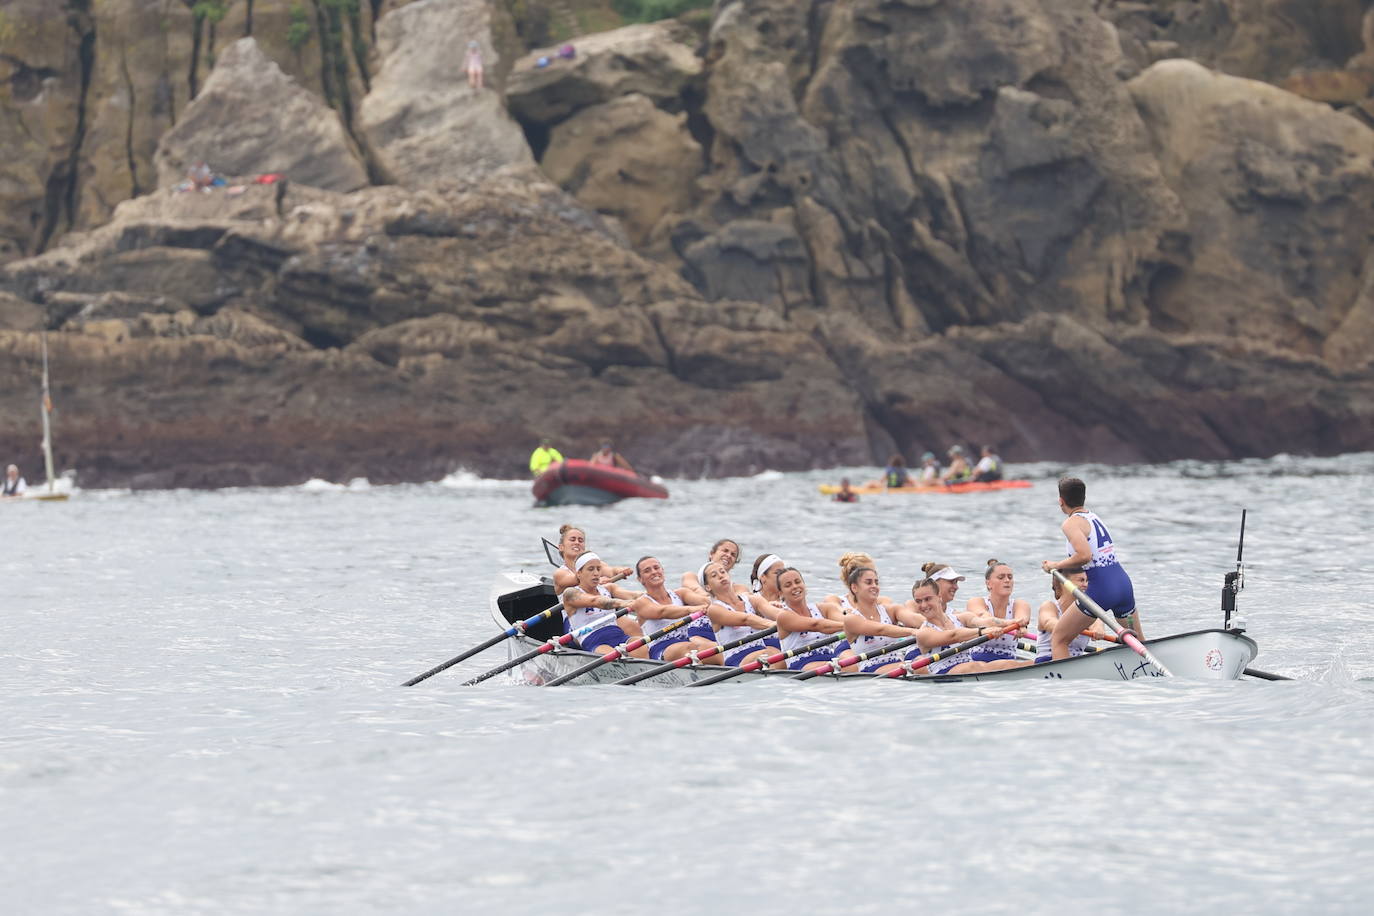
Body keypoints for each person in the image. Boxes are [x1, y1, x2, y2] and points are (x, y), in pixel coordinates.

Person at [1041, 476, 1144, 657]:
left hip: (1102, 588)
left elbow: (1084, 555)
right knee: (1139, 642)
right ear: (1083, 497)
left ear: (1061, 501)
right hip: (1123, 584)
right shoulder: (1094, 517)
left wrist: (1055, 565)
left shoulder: (1070, 523)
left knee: (1058, 638)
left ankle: (1063, 684)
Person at [909, 578, 1028, 674]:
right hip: (944, 673)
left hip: (970, 666)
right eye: (918, 601)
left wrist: (1013, 623)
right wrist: (983, 631)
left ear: (939, 597)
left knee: (1006, 664)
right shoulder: (923, 632)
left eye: (927, 599)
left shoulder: (960, 617)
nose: (923, 605)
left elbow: (985, 621)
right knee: (973, 666)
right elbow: (954, 635)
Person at [839, 563, 925, 674]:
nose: (874, 586)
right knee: (920, 667)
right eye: (868, 582)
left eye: (876, 582)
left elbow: (914, 618)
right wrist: (914, 631)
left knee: (922, 662)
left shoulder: (891, 610)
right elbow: (881, 630)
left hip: (897, 663)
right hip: (870, 668)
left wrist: (937, 624)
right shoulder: (851, 619)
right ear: (854, 587)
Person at [630, 556, 719, 664]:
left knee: (714, 647)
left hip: (686, 643)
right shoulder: (641, 602)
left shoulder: (681, 594)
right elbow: (662, 612)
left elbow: (706, 601)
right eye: (647, 571)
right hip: (661, 650)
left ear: (662, 571)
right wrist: (693, 609)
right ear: (640, 579)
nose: (654, 572)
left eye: (656, 568)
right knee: (691, 648)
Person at [561, 552, 646, 656]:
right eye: (591, 569)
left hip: (618, 635)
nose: (596, 573)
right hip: (594, 641)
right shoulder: (570, 594)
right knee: (614, 658)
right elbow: (596, 601)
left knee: (646, 647)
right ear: (579, 573)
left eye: (598, 569)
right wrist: (623, 603)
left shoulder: (608, 588)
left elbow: (634, 595)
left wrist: (664, 595)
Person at [701, 561, 783, 668]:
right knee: (774, 656)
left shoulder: (753, 600)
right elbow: (746, 619)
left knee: (777, 656)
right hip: (736, 659)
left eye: (722, 572)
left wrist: (799, 621)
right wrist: (776, 625)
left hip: (761, 652)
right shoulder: (714, 609)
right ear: (708, 587)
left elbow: (777, 613)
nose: (721, 576)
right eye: (714, 575)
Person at [774, 568, 850, 671]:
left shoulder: (824, 609)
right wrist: (851, 627)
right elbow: (817, 625)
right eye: (788, 585)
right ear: (780, 593)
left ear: (804, 585)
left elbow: (845, 620)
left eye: (797, 582)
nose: (795, 586)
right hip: (801, 665)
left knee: (852, 664)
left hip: (830, 660)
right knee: (847, 667)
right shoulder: (784, 616)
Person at [958, 559, 1032, 665]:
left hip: (1008, 660)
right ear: (988, 584)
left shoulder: (1020, 604)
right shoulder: (976, 602)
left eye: (1010, 577)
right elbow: (985, 618)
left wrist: (1022, 627)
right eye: (1001, 577)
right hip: (976, 661)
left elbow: (1022, 619)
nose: (1007, 580)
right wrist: (1014, 624)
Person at [1034, 566, 1101, 663]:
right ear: (1064, 584)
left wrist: (1098, 630)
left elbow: (1097, 623)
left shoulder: (1088, 611)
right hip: (1047, 662)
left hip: (1075, 663)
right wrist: (1070, 629)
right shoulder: (1049, 606)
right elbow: (1049, 622)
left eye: (1087, 581)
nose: (1086, 585)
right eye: (1081, 580)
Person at [551, 524, 630, 592]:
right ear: (561, 547)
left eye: (581, 540)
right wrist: (597, 580)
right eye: (572, 540)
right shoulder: (560, 573)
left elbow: (611, 571)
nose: (577, 543)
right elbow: (578, 579)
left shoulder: (596, 565)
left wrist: (620, 570)